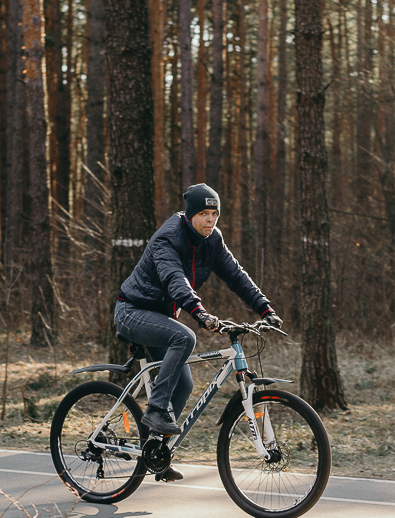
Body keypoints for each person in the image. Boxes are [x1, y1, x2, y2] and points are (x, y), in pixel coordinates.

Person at [114, 183, 282, 481]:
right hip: (132, 312)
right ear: (190, 214)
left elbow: (236, 275)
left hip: (160, 316)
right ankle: (155, 411)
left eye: (214, 214)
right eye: (203, 213)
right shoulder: (168, 237)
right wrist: (198, 312)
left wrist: (265, 308)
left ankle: (157, 453)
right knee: (185, 336)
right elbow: (173, 278)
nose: (210, 220)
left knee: (183, 385)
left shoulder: (212, 239)